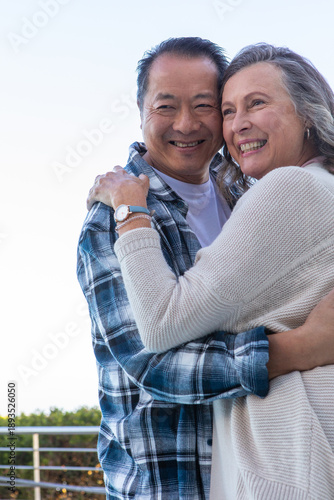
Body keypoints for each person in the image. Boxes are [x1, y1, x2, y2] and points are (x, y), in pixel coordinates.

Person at [78, 38, 334, 499]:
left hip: (262, 466)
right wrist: (297, 349)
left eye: (205, 105)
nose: (186, 123)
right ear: (141, 111)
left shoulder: (247, 198)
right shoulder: (113, 217)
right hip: (166, 479)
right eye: (166, 106)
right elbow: (148, 358)